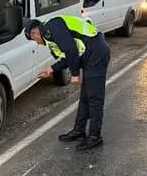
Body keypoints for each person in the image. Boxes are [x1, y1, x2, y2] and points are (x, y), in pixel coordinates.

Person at [25, 15, 111, 151]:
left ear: (34, 32)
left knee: (94, 98)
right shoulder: (50, 37)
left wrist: (75, 74)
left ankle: (95, 136)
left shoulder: (51, 28)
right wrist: (51, 69)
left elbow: (71, 49)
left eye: (33, 39)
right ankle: (79, 130)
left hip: (97, 52)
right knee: (85, 97)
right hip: (90, 54)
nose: (36, 42)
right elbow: (66, 57)